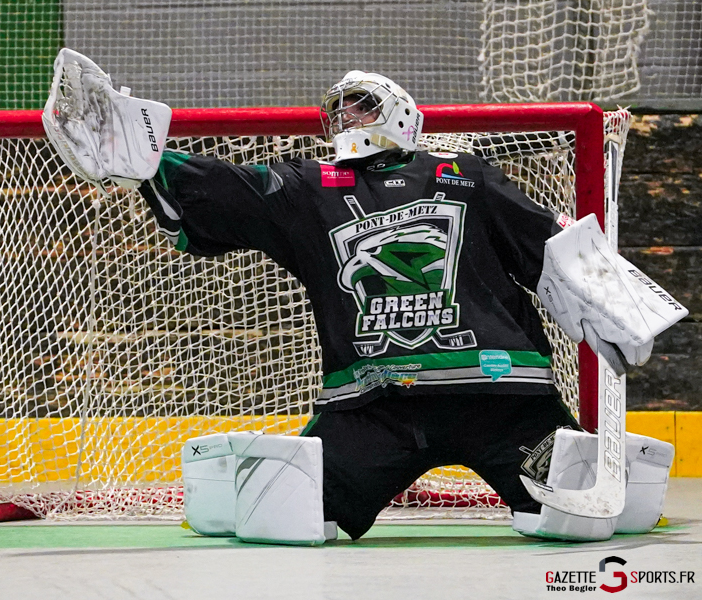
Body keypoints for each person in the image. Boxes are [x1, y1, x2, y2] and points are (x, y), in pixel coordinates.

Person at [43, 55, 682, 543]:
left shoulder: (467, 176)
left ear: (400, 111)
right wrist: (150, 161)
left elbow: (549, 243)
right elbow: (234, 189)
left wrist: (620, 304)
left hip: (499, 397)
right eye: (338, 110)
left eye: (361, 103)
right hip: (374, 407)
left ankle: (617, 468)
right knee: (278, 520)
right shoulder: (308, 188)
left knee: (579, 523)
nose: (346, 116)